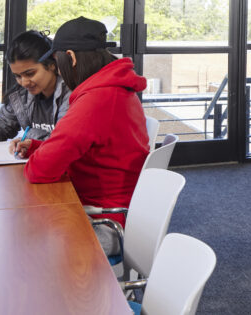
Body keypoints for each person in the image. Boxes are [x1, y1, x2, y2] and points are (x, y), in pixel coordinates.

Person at [15, 17, 150, 253]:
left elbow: (38, 171)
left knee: (26, 246)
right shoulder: (116, 89)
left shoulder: (97, 100)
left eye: (58, 63)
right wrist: (37, 147)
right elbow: (90, 148)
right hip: (121, 210)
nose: (59, 71)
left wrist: (41, 156)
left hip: (106, 222)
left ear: (72, 57)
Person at [0, 30, 71, 146]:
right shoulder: (22, 94)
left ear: (51, 65)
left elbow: (62, 141)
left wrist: (29, 139)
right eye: (18, 76)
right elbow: (3, 124)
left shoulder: (71, 94)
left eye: (30, 74)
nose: (24, 82)